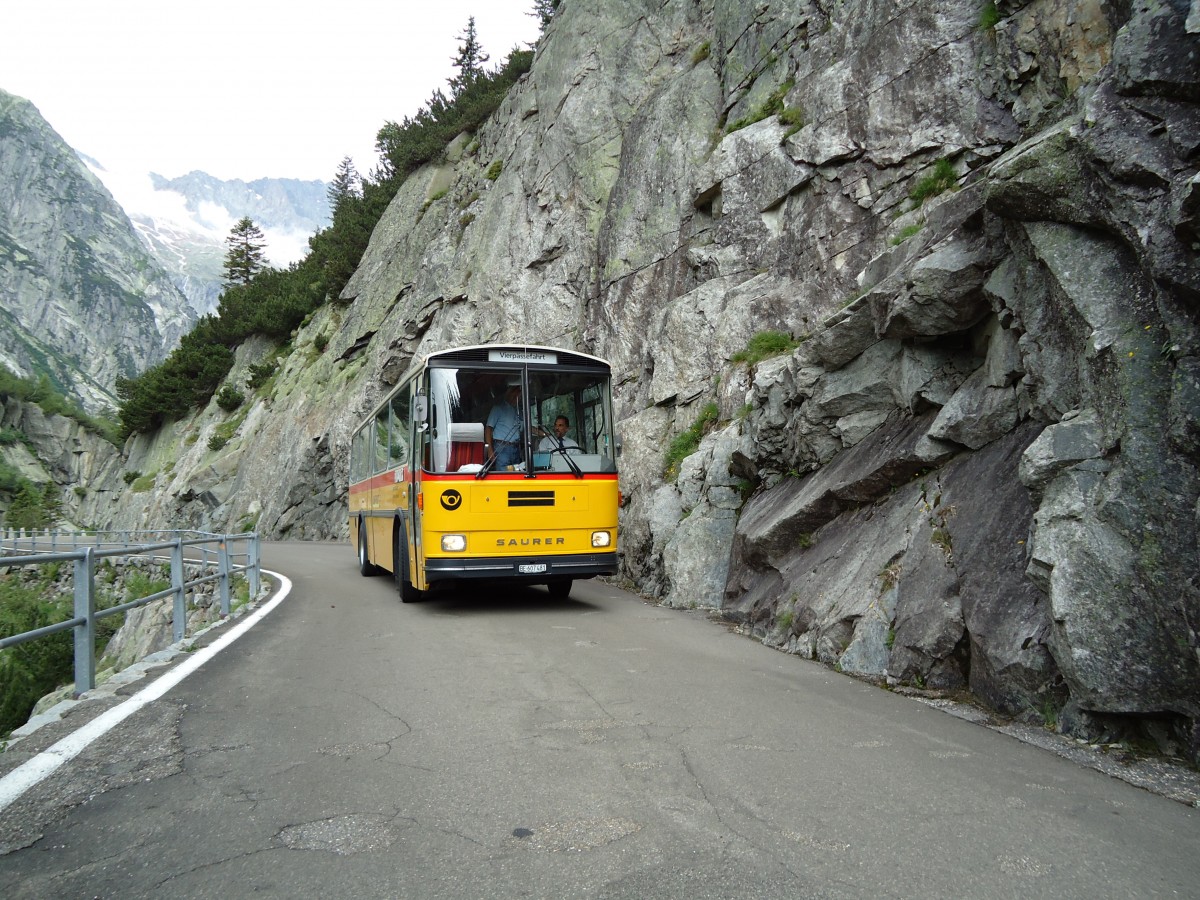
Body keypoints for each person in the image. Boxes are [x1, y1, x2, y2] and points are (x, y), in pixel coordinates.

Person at [485, 381, 525, 468]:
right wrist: (490, 450)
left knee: (516, 475)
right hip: (501, 448)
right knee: (503, 476)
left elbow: (527, 427)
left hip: (516, 448)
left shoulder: (519, 411)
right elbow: (488, 429)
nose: (519, 398)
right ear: (511, 394)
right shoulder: (498, 408)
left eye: (520, 397)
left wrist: (544, 434)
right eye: (517, 396)